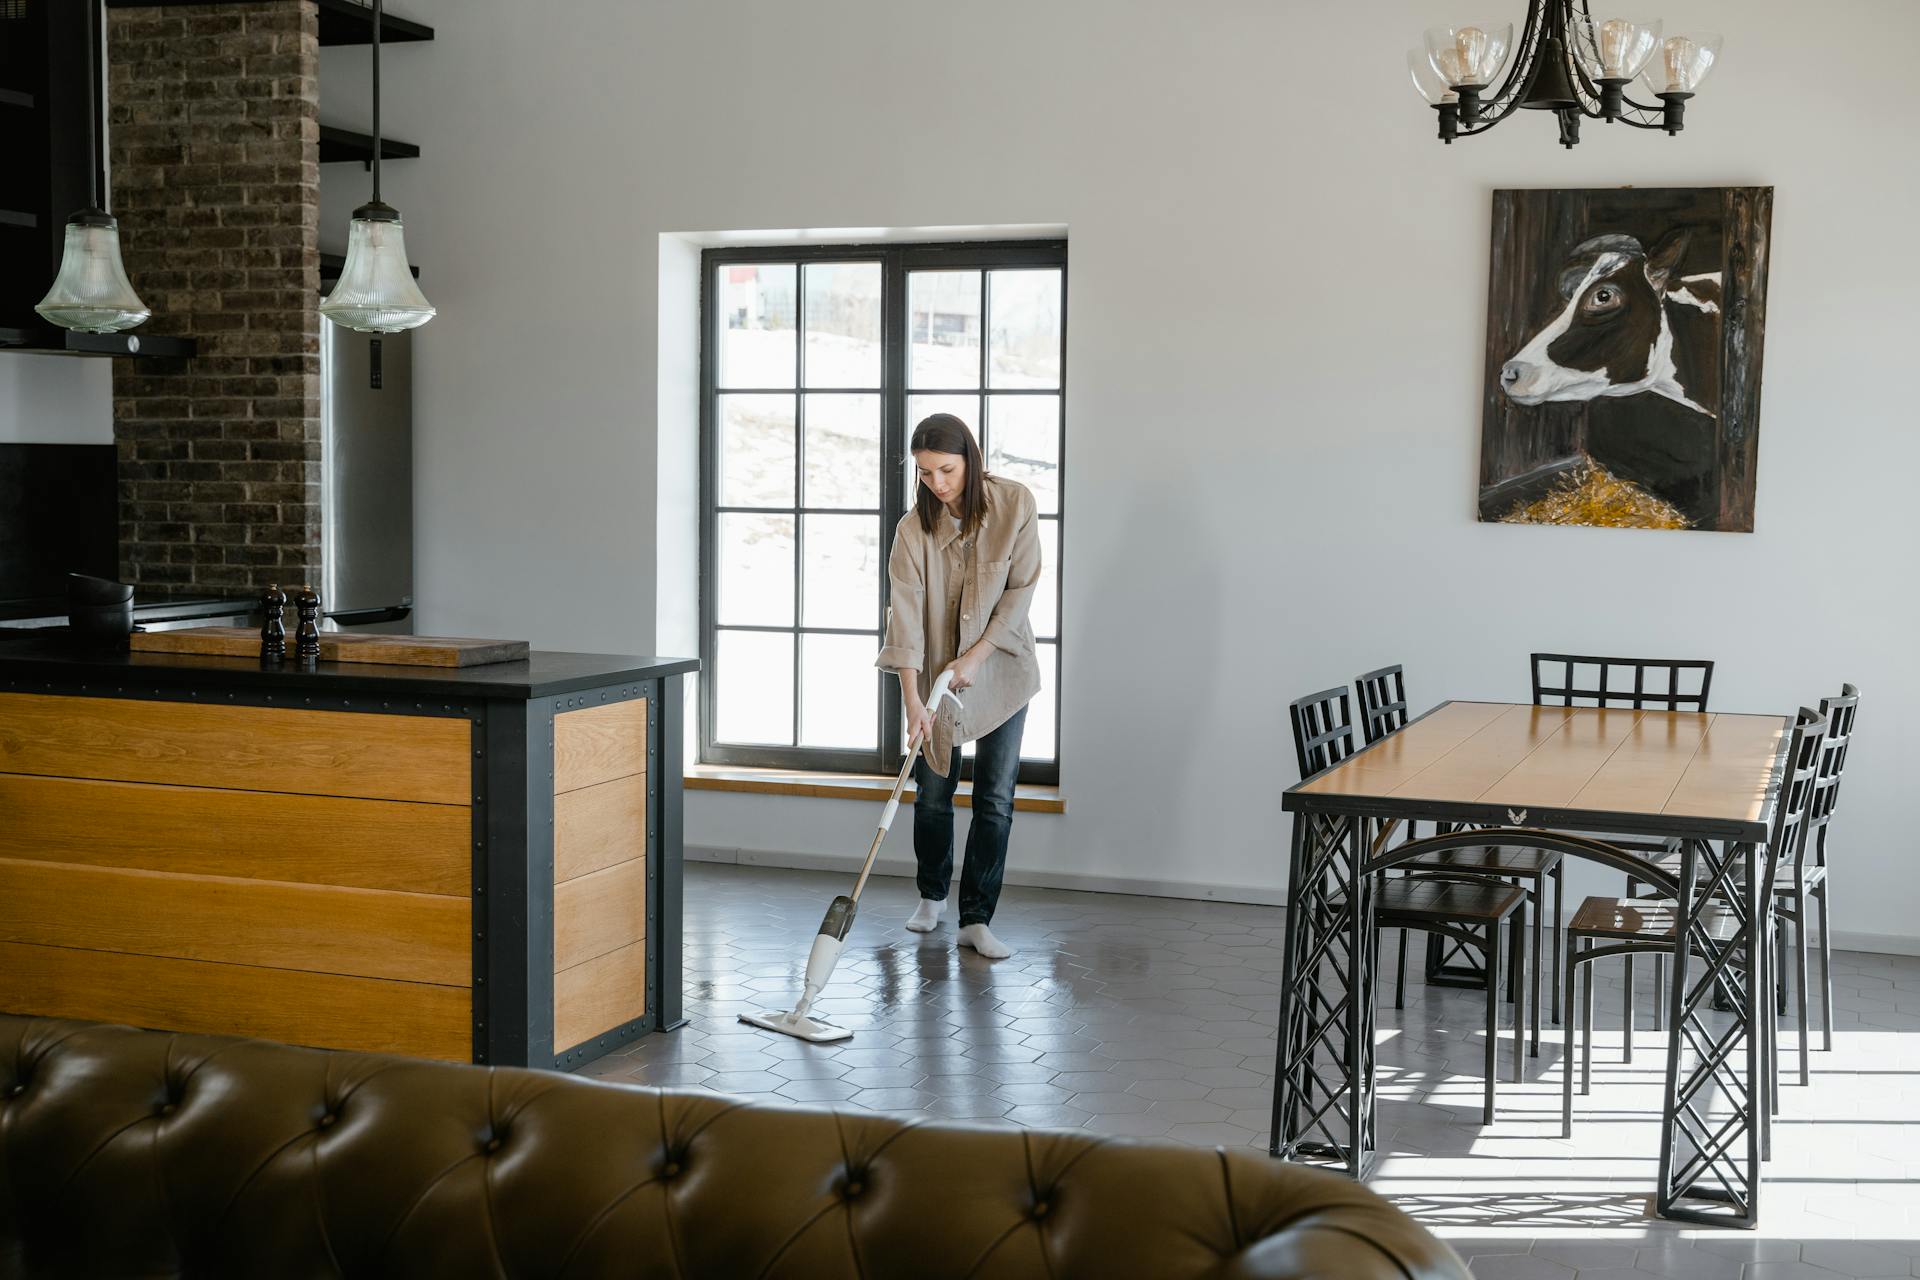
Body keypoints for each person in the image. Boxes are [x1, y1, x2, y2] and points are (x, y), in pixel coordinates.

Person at [876, 413, 1043, 959]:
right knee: (932, 794)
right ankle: (932, 896)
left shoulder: (1015, 504)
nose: (937, 483)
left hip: (1003, 671)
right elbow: (904, 620)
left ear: (970, 458)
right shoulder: (912, 530)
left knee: (995, 798)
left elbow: (1020, 591)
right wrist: (912, 701)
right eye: (925, 473)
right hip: (935, 681)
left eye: (946, 470)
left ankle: (976, 918)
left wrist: (976, 654)